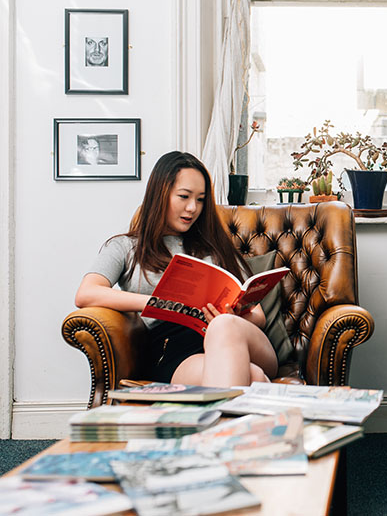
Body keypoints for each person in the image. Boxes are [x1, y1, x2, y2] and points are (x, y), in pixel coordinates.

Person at [75, 151, 278, 387]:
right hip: (174, 350)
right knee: (252, 376)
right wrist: (156, 302)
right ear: (159, 194)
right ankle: (251, 414)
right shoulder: (125, 247)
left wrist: (230, 317)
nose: (192, 208)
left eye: (201, 199)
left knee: (224, 326)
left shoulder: (216, 246)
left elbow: (259, 316)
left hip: (240, 337)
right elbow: (86, 293)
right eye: (184, 196)